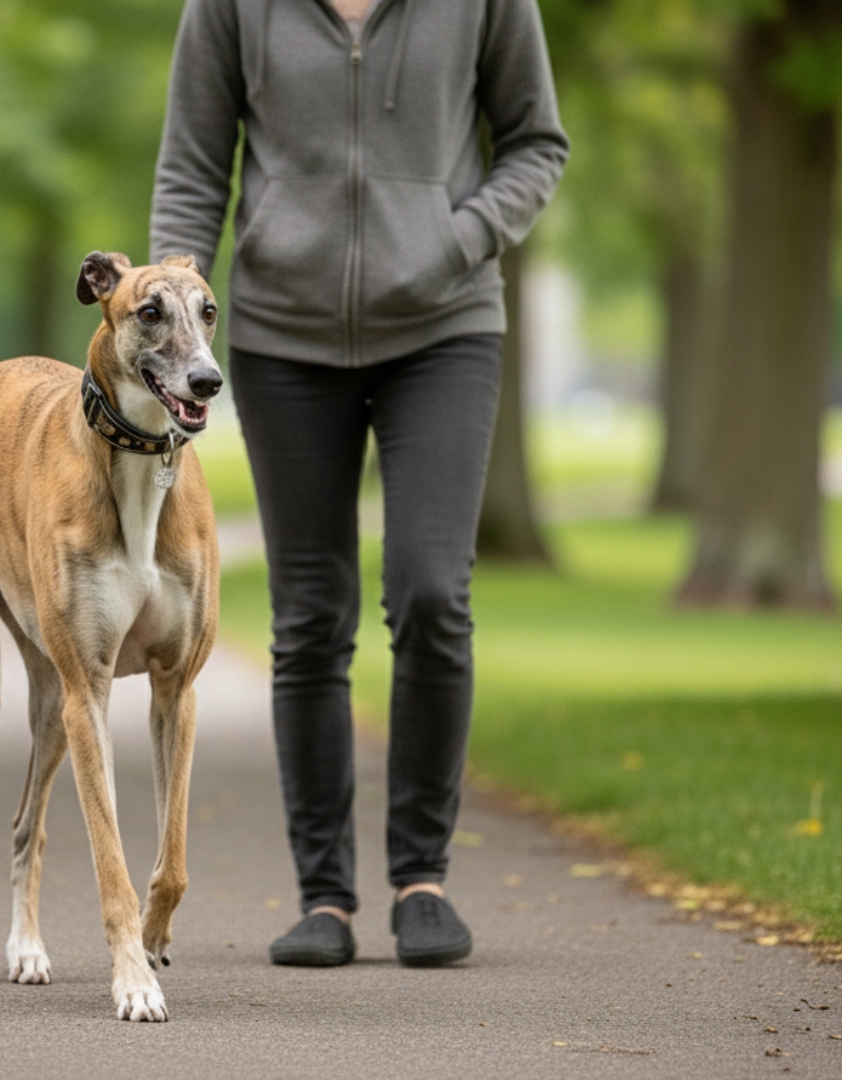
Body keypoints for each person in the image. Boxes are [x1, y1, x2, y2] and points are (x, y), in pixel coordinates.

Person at [148, 0, 567, 967]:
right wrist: (177, 327)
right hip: (282, 338)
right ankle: (324, 898)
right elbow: (191, 170)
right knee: (308, 613)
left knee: (431, 591)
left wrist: (459, 239)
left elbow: (536, 142)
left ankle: (422, 880)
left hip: (446, 329)